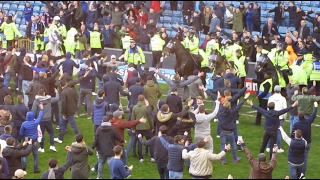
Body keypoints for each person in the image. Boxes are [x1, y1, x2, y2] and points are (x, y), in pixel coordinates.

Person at [92, 115, 126, 179]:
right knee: (111, 165)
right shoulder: (112, 128)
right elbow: (117, 137)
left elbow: (95, 140)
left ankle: (99, 177)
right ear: (109, 121)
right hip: (111, 150)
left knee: (101, 164)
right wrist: (122, 141)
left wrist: (92, 148)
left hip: (101, 150)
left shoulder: (99, 129)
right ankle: (112, 177)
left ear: (102, 121)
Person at [292, 102, 318, 177]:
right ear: (304, 116)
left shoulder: (296, 124)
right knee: (305, 158)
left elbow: (292, 134)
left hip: (299, 143)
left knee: (298, 158)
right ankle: (302, 174)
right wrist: (315, 107)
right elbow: (313, 116)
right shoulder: (308, 121)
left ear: (298, 116)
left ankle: (298, 172)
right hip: (308, 143)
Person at [31, 88, 59, 153]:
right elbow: (57, 98)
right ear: (44, 93)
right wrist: (57, 92)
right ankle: (52, 145)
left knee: (41, 134)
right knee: (51, 132)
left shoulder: (36, 101)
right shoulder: (49, 100)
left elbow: (33, 111)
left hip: (40, 120)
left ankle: (42, 148)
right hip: (48, 119)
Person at [54, 80, 80, 144]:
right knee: (63, 125)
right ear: (66, 84)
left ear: (60, 85)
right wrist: (75, 108)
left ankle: (80, 138)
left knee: (73, 126)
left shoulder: (63, 93)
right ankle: (60, 138)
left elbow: (63, 104)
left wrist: (63, 113)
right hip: (72, 110)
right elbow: (76, 99)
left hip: (67, 112)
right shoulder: (72, 90)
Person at [266, 85, 287, 153]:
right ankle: (278, 147)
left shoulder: (271, 97)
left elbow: (268, 107)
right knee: (278, 132)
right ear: (280, 90)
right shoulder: (283, 98)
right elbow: (285, 109)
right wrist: (284, 117)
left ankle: (269, 147)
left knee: (270, 131)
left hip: (271, 116)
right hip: (279, 117)